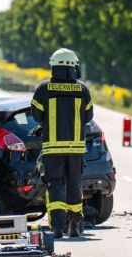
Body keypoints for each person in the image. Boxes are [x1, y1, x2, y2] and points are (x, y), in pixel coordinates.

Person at [31, 48, 93, 238]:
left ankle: (57, 227)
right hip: (75, 149)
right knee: (75, 184)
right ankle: (74, 222)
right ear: (73, 66)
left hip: (52, 147)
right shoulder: (82, 89)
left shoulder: (44, 88)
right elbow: (89, 116)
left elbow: (36, 115)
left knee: (55, 185)